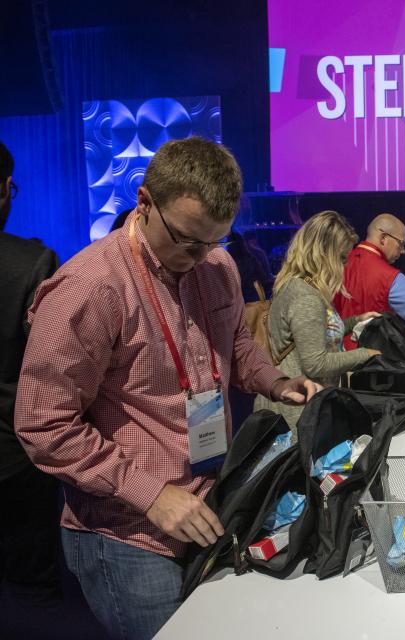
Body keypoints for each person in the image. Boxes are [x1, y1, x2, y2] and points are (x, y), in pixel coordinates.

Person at [14, 136, 321, 640]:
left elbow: (236, 344)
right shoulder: (91, 288)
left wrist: (276, 380)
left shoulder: (217, 268)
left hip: (207, 501)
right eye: (186, 239)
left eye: (214, 242)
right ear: (144, 202)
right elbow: (42, 425)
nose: (200, 256)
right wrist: (151, 494)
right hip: (127, 533)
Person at [0, 142, 62, 613]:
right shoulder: (31, 264)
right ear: (4, 191)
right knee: (32, 590)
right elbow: (53, 368)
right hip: (17, 456)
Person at [254, 211, 381, 437]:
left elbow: (317, 332)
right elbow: (316, 364)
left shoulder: (302, 287)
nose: (344, 267)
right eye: (342, 258)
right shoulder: (305, 295)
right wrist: (367, 354)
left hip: (306, 409)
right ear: (324, 254)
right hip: (298, 415)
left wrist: (354, 321)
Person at [335, 213, 405, 350]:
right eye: (401, 243)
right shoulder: (390, 276)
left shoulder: (335, 265)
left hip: (334, 355)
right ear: (383, 238)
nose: (403, 251)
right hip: (369, 361)